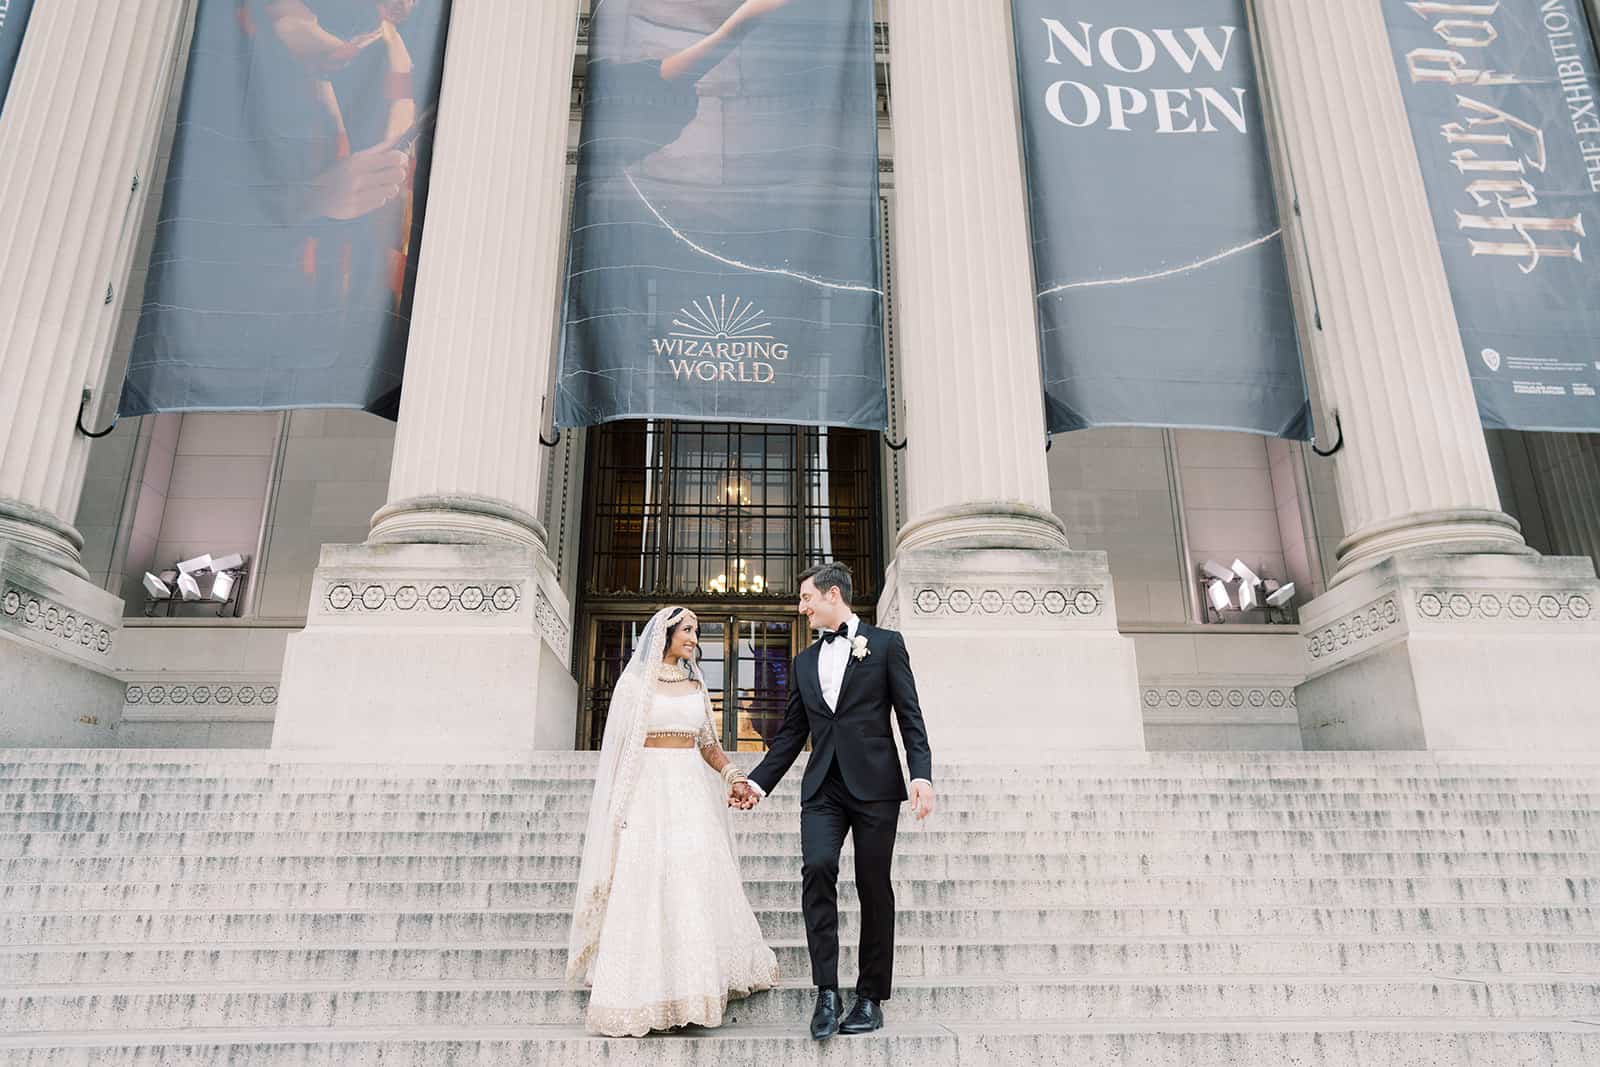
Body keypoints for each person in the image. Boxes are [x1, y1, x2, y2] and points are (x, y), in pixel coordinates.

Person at [743, 562, 935, 1040]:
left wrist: (922, 776)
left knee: (874, 886)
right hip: (823, 788)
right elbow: (790, 735)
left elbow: (910, 716)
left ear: (832, 595)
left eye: (806, 598)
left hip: (875, 787)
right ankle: (826, 990)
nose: (801, 608)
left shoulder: (887, 645)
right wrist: (757, 783)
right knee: (818, 868)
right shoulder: (804, 662)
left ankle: (870, 996)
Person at [567, 606, 780, 1037]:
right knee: (648, 881)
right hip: (648, 791)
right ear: (665, 634)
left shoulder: (697, 684)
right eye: (687, 630)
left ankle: (693, 984)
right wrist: (619, 807)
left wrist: (733, 775)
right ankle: (644, 988)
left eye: (697, 631)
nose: (694, 637)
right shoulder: (633, 684)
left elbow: (708, 744)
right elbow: (620, 751)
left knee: (691, 879)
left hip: (690, 791)